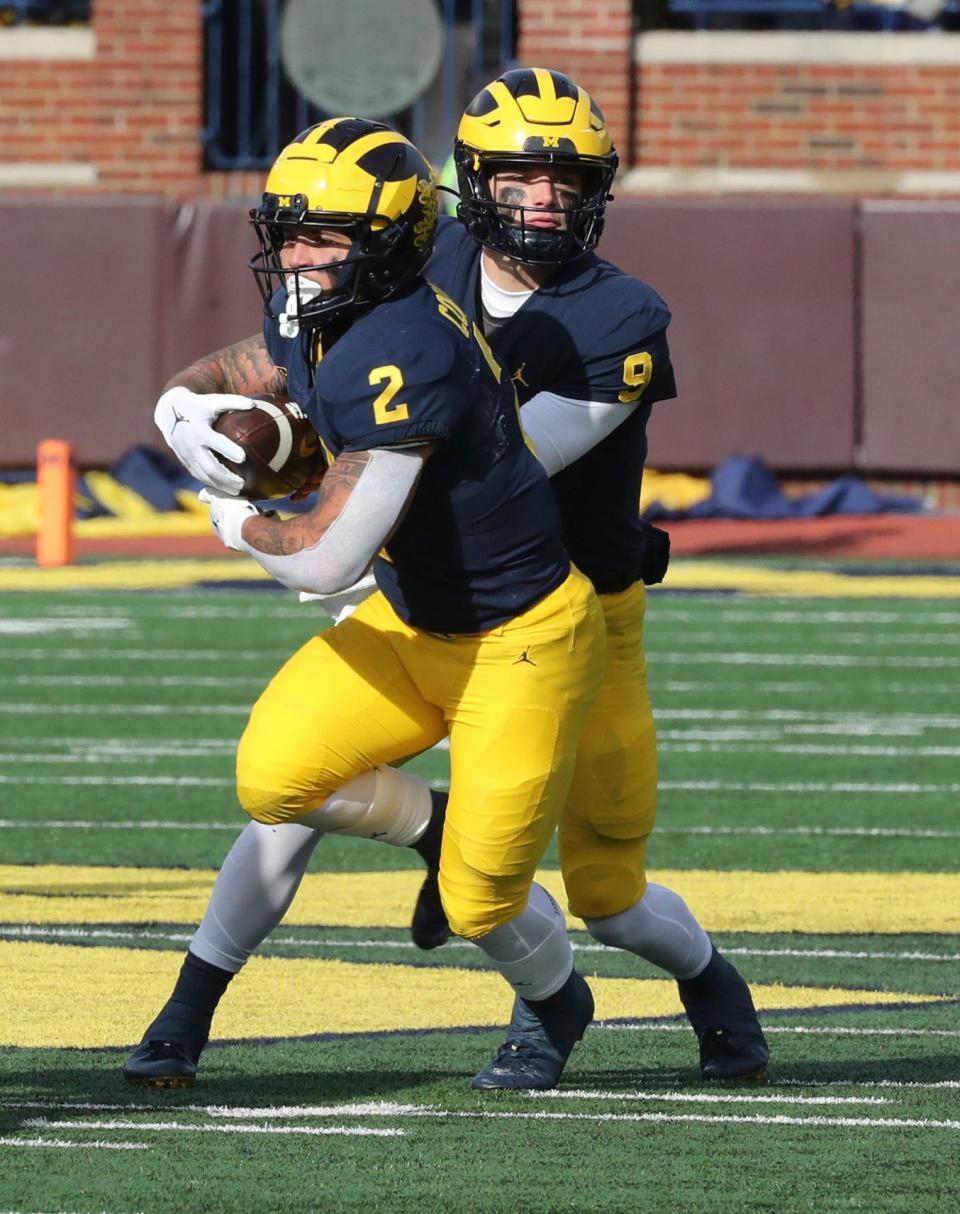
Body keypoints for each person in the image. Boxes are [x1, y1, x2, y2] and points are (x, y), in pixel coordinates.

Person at [135, 71, 769, 1088]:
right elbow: (290, 364)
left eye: (567, 178)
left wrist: (280, 474)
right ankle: (186, 1009)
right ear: (466, 184)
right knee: (286, 787)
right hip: (422, 593)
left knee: (598, 889)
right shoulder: (405, 253)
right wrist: (192, 409)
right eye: (520, 176)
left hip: (571, 611)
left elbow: (496, 453)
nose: (545, 199)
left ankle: (695, 984)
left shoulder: (618, 319)